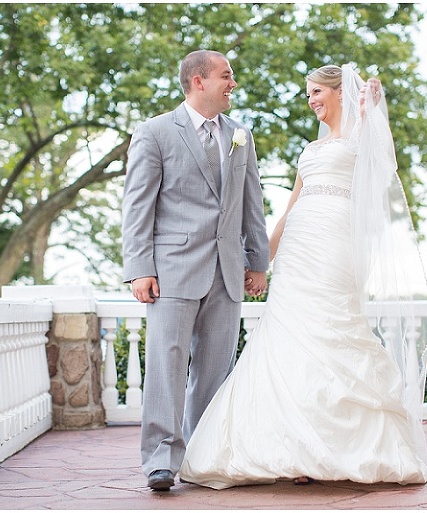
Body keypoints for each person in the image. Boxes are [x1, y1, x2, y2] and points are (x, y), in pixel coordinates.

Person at [177, 64, 427, 489]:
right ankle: (295, 448)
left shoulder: (360, 135)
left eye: (316, 92)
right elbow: (291, 206)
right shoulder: (311, 151)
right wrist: (261, 261)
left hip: (335, 243)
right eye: (307, 94)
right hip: (298, 247)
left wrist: (373, 105)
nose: (311, 100)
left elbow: (384, 161)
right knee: (286, 336)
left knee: (332, 328)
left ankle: (336, 447)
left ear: (338, 92)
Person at [121, 49, 271, 491]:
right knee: (167, 364)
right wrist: (138, 269)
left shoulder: (240, 134)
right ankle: (161, 460)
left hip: (227, 270)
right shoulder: (155, 132)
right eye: (226, 76)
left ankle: (203, 455)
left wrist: (258, 263)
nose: (233, 84)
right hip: (171, 270)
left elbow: (252, 205)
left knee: (214, 368)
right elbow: (138, 205)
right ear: (198, 80)